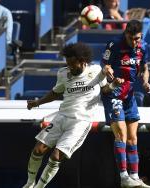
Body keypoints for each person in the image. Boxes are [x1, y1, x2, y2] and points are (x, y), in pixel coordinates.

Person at [22, 42, 124, 188]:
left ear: (83, 62)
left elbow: (105, 90)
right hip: (62, 116)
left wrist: (114, 84)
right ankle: (30, 183)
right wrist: (37, 102)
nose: (69, 66)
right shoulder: (63, 73)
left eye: (72, 63)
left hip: (81, 122)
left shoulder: (96, 71)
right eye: (67, 63)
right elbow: (55, 93)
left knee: (56, 156)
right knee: (38, 150)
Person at [101, 19, 150, 188]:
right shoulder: (114, 44)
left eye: (137, 38)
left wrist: (145, 82)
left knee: (133, 138)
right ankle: (123, 177)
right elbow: (104, 65)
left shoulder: (143, 47)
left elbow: (144, 68)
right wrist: (108, 72)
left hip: (130, 96)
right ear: (126, 34)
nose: (134, 42)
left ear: (141, 36)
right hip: (113, 94)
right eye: (131, 38)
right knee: (121, 135)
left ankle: (135, 176)